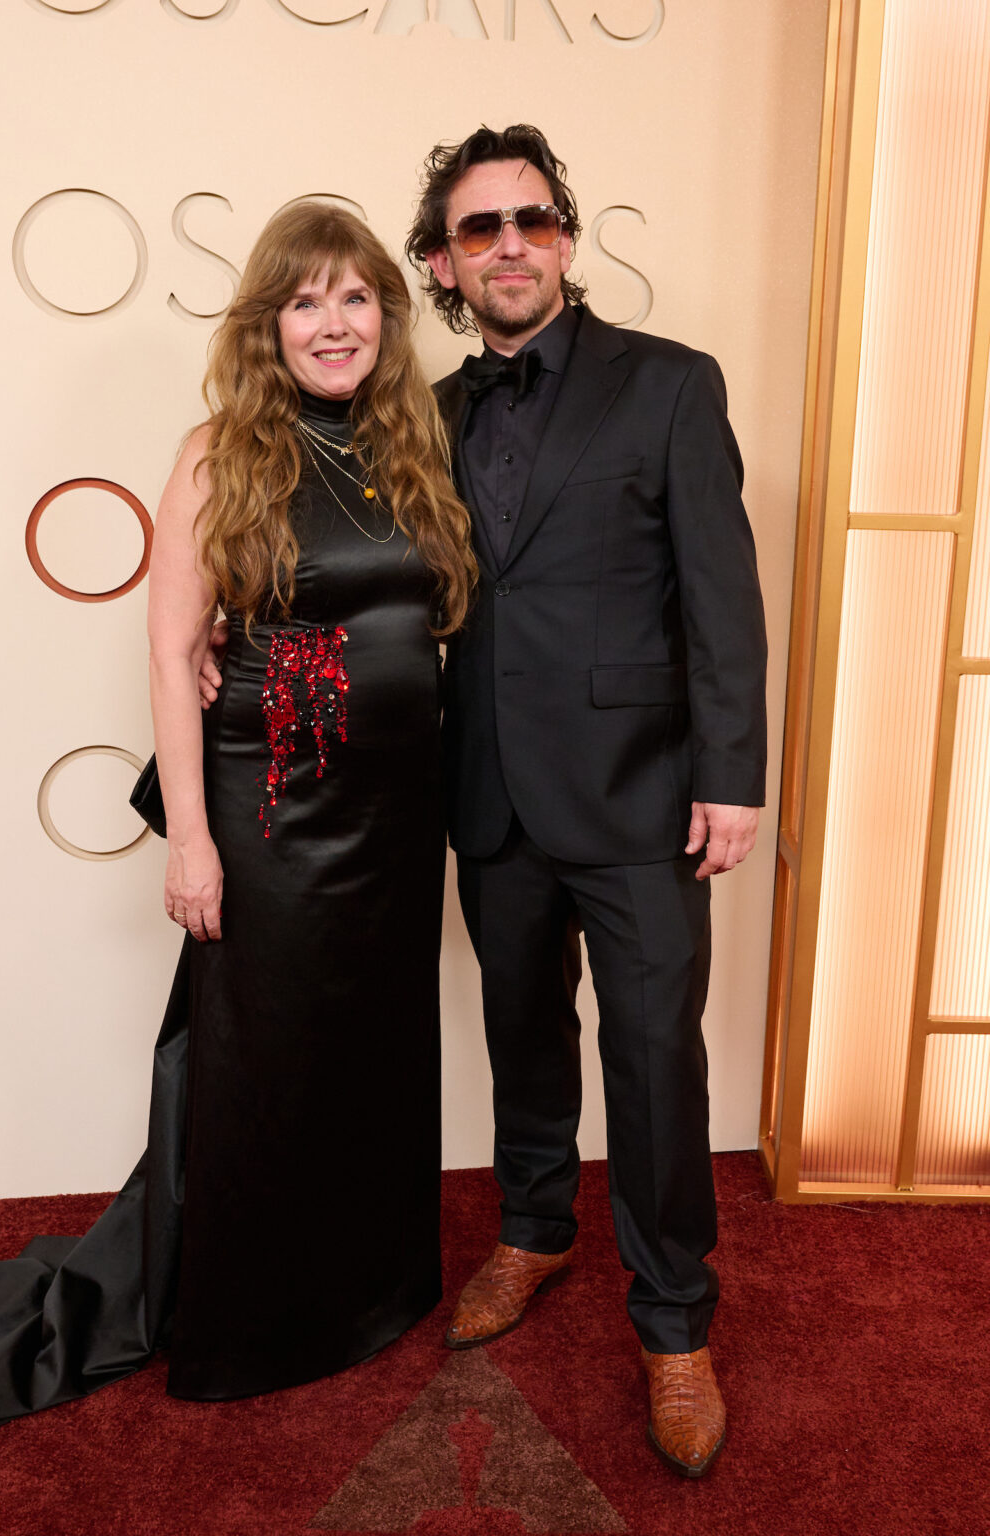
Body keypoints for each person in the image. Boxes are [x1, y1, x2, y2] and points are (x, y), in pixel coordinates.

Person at [0, 203, 475, 1432]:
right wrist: (190, 836)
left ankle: (372, 1287)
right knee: (262, 1062)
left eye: (355, 297)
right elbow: (167, 655)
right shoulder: (219, 451)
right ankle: (257, 1314)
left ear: (385, 317)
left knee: (375, 1052)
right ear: (269, 324)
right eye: (306, 301)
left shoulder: (417, 442)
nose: (334, 323)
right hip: (274, 809)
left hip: (398, 818)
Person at [402, 124, 768, 1478]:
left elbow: (721, 596)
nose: (509, 244)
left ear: (564, 234)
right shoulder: (425, 412)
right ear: (443, 260)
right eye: (479, 227)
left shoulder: (668, 385)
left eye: (531, 220)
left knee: (656, 1062)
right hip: (486, 786)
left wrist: (730, 778)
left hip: (640, 792)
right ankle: (535, 1225)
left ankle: (673, 1320)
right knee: (518, 1027)